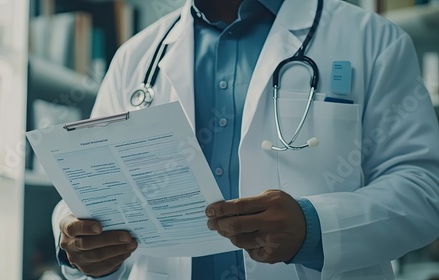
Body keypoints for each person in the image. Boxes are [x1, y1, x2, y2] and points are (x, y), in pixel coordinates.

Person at [51, 0, 439, 279]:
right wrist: (78, 240)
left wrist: (315, 228)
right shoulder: (135, 57)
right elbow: (87, 190)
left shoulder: (370, 39)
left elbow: (423, 188)